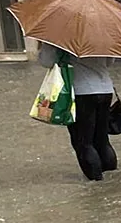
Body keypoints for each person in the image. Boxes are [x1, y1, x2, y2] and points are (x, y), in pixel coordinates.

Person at [38, 42, 116, 181]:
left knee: (83, 142)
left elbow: (46, 61)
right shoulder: (101, 33)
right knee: (102, 139)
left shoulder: (59, 36)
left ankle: (96, 184)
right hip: (105, 90)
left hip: (81, 92)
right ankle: (113, 180)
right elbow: (109, 62)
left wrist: (44, 46)